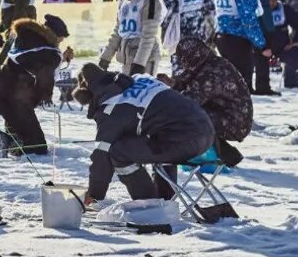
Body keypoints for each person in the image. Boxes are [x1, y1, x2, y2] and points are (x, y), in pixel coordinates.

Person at [74, 64, 214, 204]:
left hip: (185, 140)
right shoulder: (139, 78)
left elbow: (102, 154)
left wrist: (94, 193)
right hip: (206, 129)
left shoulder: (111, 108)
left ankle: (149, 205)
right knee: (151, 141)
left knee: (119, 152)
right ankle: (165, 200)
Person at [169, 37, 252, 167]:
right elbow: (187, 79)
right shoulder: (208, 62)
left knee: (191, 116)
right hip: (225, 114)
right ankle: (226, 153)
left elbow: (187, 103)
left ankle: (215, 155)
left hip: (235, 122)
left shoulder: (212, 73)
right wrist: (174, 84)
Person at [0, 18, 62, 156]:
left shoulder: (26, 42)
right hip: (17, 96)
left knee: (18, 122)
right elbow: (45, 75)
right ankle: (11, 143)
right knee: (38, 146)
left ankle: (6, 139)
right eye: (62, 38)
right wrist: (45, 97)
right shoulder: (49, 53)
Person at [98, 0, 163, 76]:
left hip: (145, 59)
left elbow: (148, 37)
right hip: (128, 56)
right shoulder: (124, 0)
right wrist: (105, 58)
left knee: (142, 93)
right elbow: (119, 31)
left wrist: (139, 64)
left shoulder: (149, 1)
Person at [214, 0, 268, 85]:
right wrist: (261, 45)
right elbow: (249, 21)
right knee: (242, 81)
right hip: (238, 42)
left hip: (220, 36)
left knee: (227, 78)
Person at [263, 0, 298, 90]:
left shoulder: (284, 9)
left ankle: (291, 84)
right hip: (262, 48)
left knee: (297, 53)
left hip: (282, 47)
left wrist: (296, 42)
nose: (271, 3)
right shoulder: (258, 10)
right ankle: (261, 87)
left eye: (273, 0)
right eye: (268, 1)